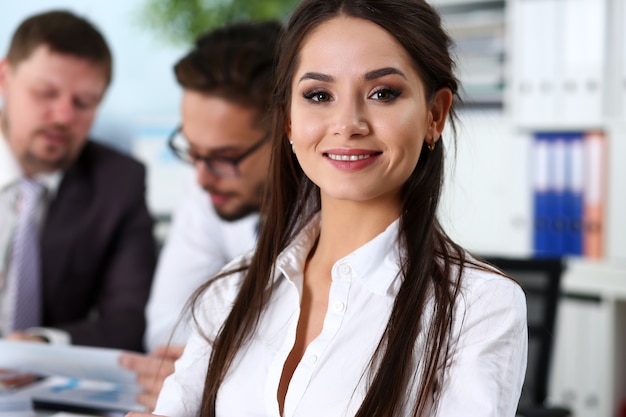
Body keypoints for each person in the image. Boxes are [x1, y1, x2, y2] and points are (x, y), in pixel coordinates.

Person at [127, 0, 528, 416]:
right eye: (319, 95)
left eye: (383, 93)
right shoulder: (233, 289)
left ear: (434, 115)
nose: (348, 123)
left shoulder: (481, 307)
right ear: (287, 122)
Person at [118, 20, 282, 410]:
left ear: (289, 132)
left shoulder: (345, 212)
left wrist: (210, 376)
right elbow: (166, 326)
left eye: (226, 157)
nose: (201, 177)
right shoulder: (210, 182)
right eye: (192, 150)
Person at [0, 10, 156, 351]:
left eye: (84, 103)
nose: (64, 117)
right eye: (45, 93)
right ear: (4, 77)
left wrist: (41, 347)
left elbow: (130, 319)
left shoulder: (119, 183)